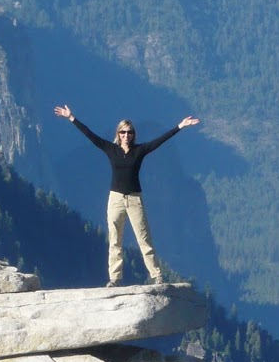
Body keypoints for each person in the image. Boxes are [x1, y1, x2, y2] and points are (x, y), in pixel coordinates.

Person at [54, 104, 200, 285]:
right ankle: (114, 278)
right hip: (115, 199)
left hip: (134, 199)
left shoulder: (140, 151)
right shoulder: (111, 150)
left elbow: (160, 141)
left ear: (133, 135)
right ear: (118, 134)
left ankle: (156, 275)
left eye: (129, 132)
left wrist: (180, 126)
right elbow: (90, 135)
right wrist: (71, 118)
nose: (126, 136)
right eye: (123, 132)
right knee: (115, 240)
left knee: (144, 238)